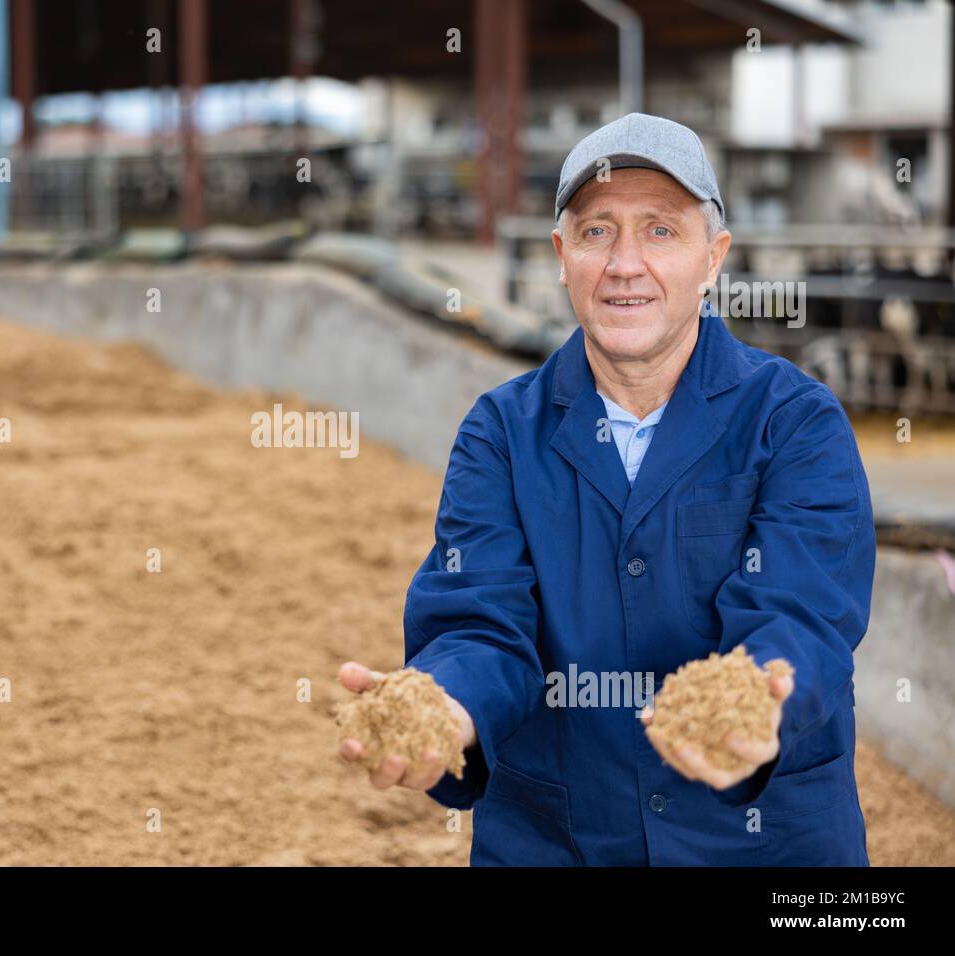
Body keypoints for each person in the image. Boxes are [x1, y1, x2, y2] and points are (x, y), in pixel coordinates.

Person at [338, 113, 875, 866]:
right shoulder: (500, 432)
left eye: (661, 231)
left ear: (713, 258)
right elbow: (480, 621)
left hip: (762, 845)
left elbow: (801, 609)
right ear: (562, 256)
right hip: (559, 838)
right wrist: (445, 704)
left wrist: (759, 698)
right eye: (597, 232)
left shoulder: (795, 422)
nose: (625, 264)